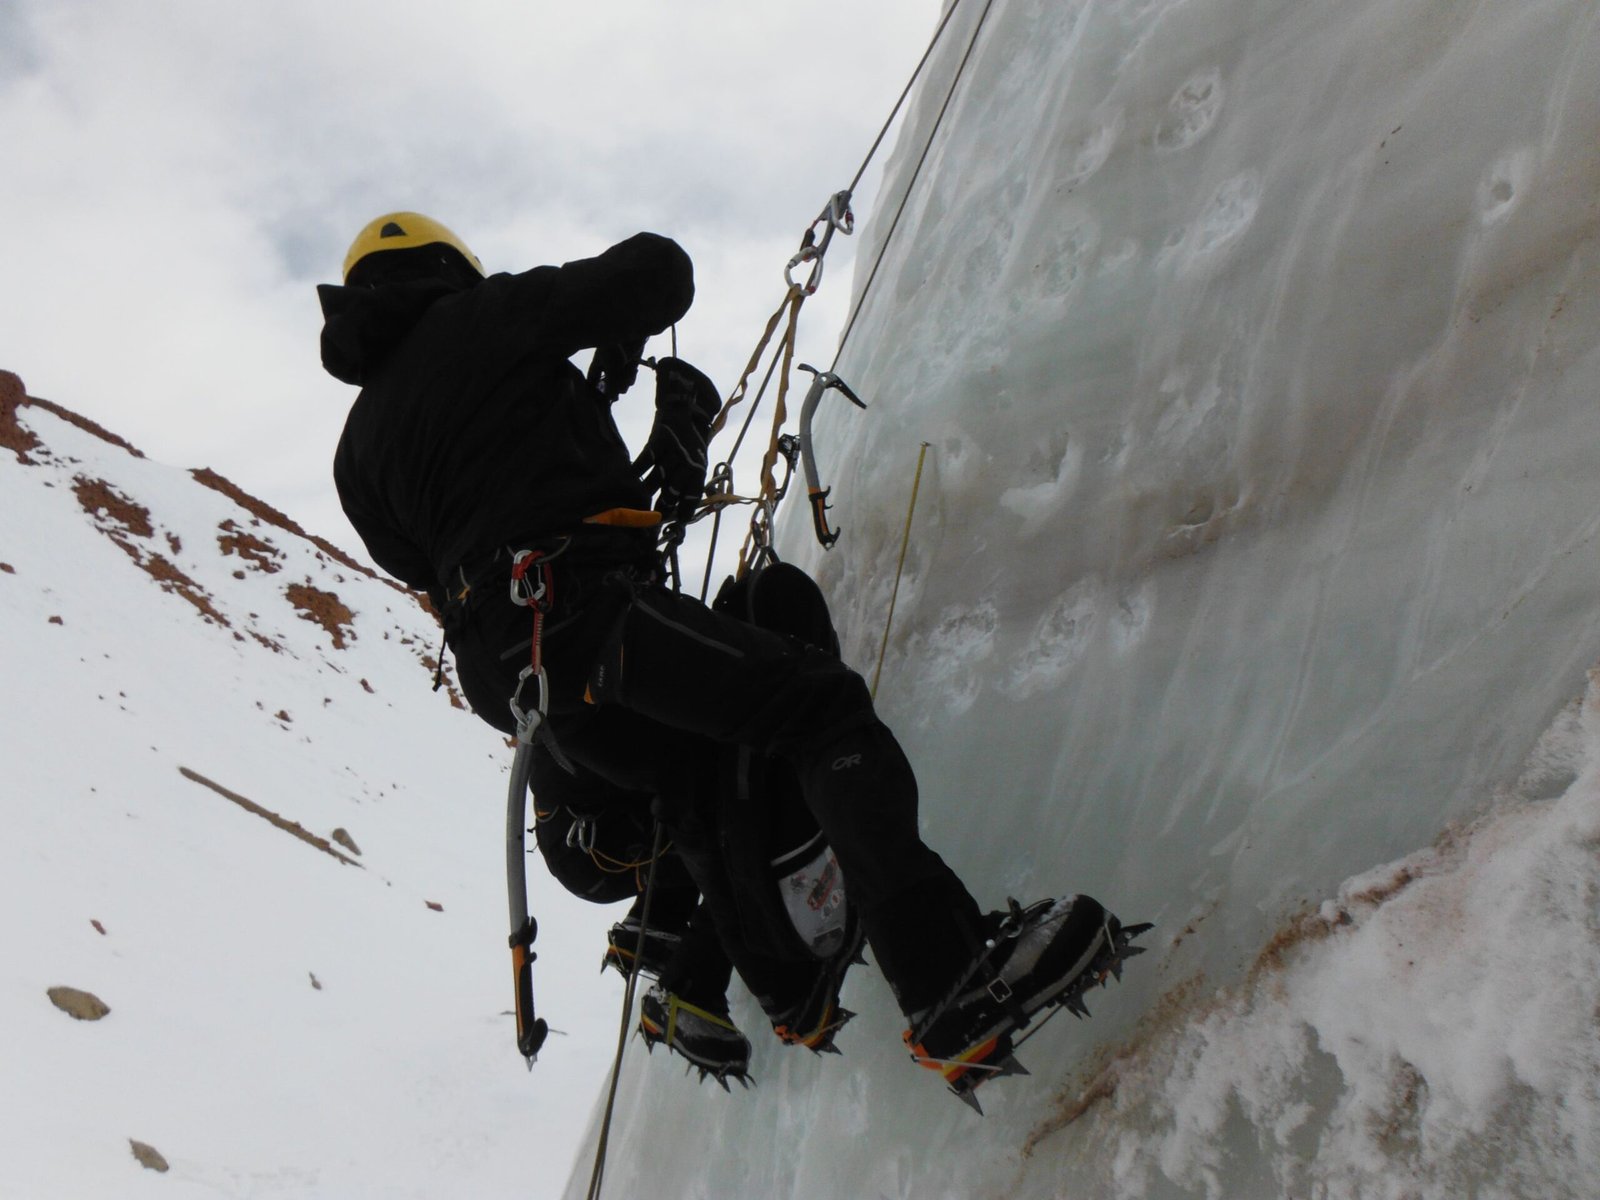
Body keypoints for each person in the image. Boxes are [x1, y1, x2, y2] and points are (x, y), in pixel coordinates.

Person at [318, 212, 1141, 1101]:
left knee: (697, 784)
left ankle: (790, 990)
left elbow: (472, 534)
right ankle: (947, 977)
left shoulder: (356, 457)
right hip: (589, 617)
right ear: (446, 269)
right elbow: (658, 273)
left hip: (533, 689)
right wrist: (612, 327)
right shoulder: (482, 322)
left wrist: (602, 406)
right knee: (815, 708)